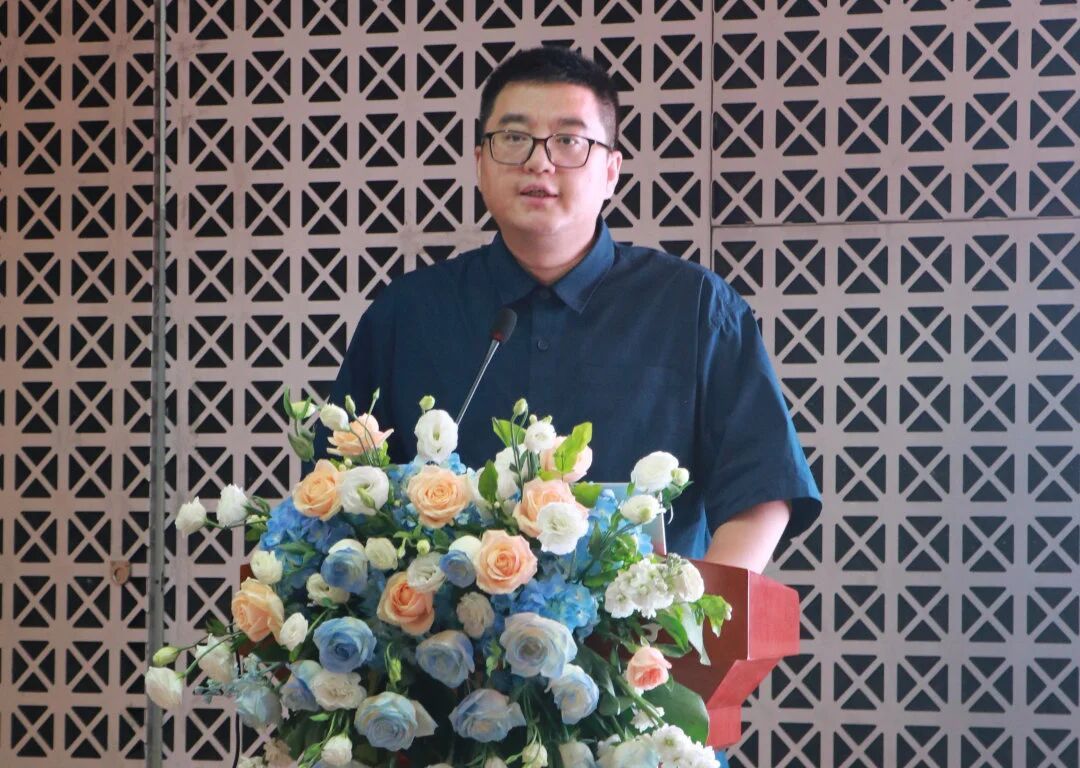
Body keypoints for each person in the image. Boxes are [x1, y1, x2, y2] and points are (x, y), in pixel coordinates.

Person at [316, 44, 821, 767]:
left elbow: (763, 490)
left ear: (611, 169)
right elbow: (343, 499)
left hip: (637, 712)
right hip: (442, 712)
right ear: (480, 161)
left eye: (570, 142)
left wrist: (684, 629)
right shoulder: (407, 315)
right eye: (514, 138)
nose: (540, 162)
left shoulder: (693, 308)